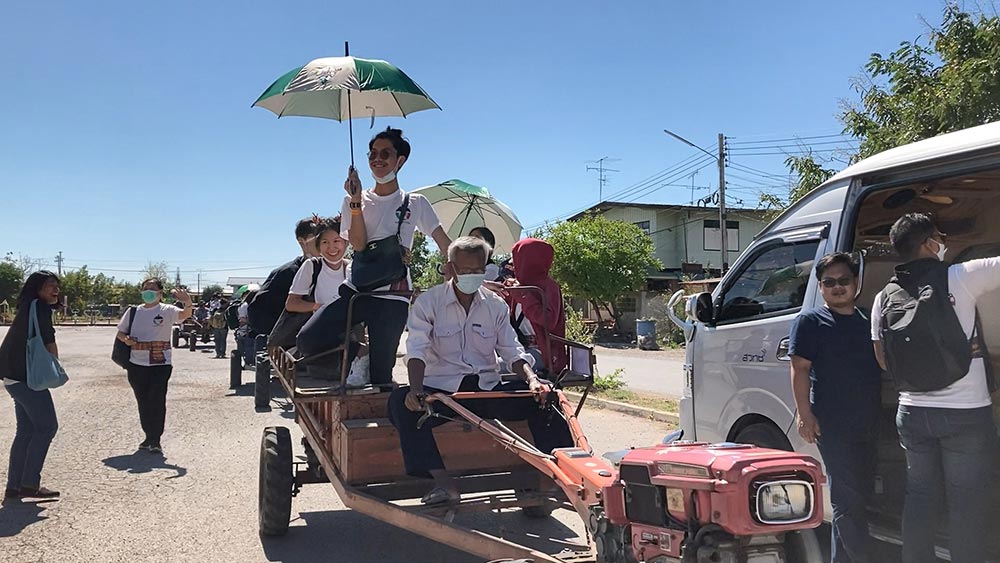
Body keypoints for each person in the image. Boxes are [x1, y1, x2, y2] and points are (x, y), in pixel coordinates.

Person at [387, 237, 573, 504]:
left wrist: (533, 380)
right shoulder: (429, 303)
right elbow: (416, 349)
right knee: (400, 403)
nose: (471, 276)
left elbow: (511, 350)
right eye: (464, 270)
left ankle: (554, 478)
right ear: (450, 268)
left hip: (486, 391)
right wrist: (415, 389)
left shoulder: (495, 305)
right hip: (442, 396)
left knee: (548, 398)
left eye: (477, 270)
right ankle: (443, 484)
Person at [871, 213, 1000, 563]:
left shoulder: (884, 297)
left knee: (919, 497)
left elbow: (883, 359)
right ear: (930, 244)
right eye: (940, 236)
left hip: (911, 412)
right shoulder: (961, 276)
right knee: (965, 502)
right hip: (965, 413)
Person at [297, 127, 451, 387]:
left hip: (393, 296)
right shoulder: (353, 201)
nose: (377, 159)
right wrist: (356, 201)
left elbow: (445, 243)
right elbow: (357, 244)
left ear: (399, 161)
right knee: (308, 340)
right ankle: (361, 353)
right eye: (372, 154)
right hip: (358, 290)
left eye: (385, 154)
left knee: (381, 379)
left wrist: (467, 266)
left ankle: (387, 414)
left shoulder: (416, 202)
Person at [789, 253, 880, 563]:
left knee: (859, 497)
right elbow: (799, 369)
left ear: (856, 283)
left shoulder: (869, 320)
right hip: (831, 423)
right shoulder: (810, 322)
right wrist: (805, 415)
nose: (837, 287)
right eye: (830, 282)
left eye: (844, 280)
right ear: (820, 286)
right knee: (847, 497)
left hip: (869, 421)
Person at [1, 271, 62, 502]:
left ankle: (14, 487)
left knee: (26, 431)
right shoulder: (40, 307)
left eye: (57, 286)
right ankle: (29, 484)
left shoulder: (27, 306)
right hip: (28, 378)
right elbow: (48, 339)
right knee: (47, 427)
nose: (55, 290)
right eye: (49, 286)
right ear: (37, 288)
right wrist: (55, 367)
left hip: (12, 376)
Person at [115, 278, 192, 454]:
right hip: (136, 364)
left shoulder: (167, 310)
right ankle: (148, 436)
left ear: (160, 293)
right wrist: (127, 340)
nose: (148, 292)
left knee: (157, 400)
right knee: (143, 401)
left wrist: (187, 301)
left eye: (152, 289)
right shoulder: (133, 311)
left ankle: (155, 439)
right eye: (145, 288)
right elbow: (121, 333)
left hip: (160, 364)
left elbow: (185, 315)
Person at [247, 217, 319, 338]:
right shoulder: (285, 274)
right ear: (302, 242)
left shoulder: (341, 270)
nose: (325, 243)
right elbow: (258, 314)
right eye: (317, 238)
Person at [505, 238, 567, 375]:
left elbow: (549, 321)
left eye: (517, 260)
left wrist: (523, 296)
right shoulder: (519, 285)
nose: (514, 266)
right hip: (519, 348)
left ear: (528, 262)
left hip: (543, 353)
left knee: (501, 367)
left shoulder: (549, 287)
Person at [285, 216, 348, 313]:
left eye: (336, 241)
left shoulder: (350, 267)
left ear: (346, 243)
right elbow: (291, 303)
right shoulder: (312, 265)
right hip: (321, 325)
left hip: (348, 326)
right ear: (318, 246)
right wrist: (319, 307)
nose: (331, 247)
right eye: (325, 242)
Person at [237, 287, 259, 369]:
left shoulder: (254, 305)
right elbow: (242, 318)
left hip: (254, 329)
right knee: (250, 345)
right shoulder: (245, 305)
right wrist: (252, 322)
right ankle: (249, 362)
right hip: (247, 330)